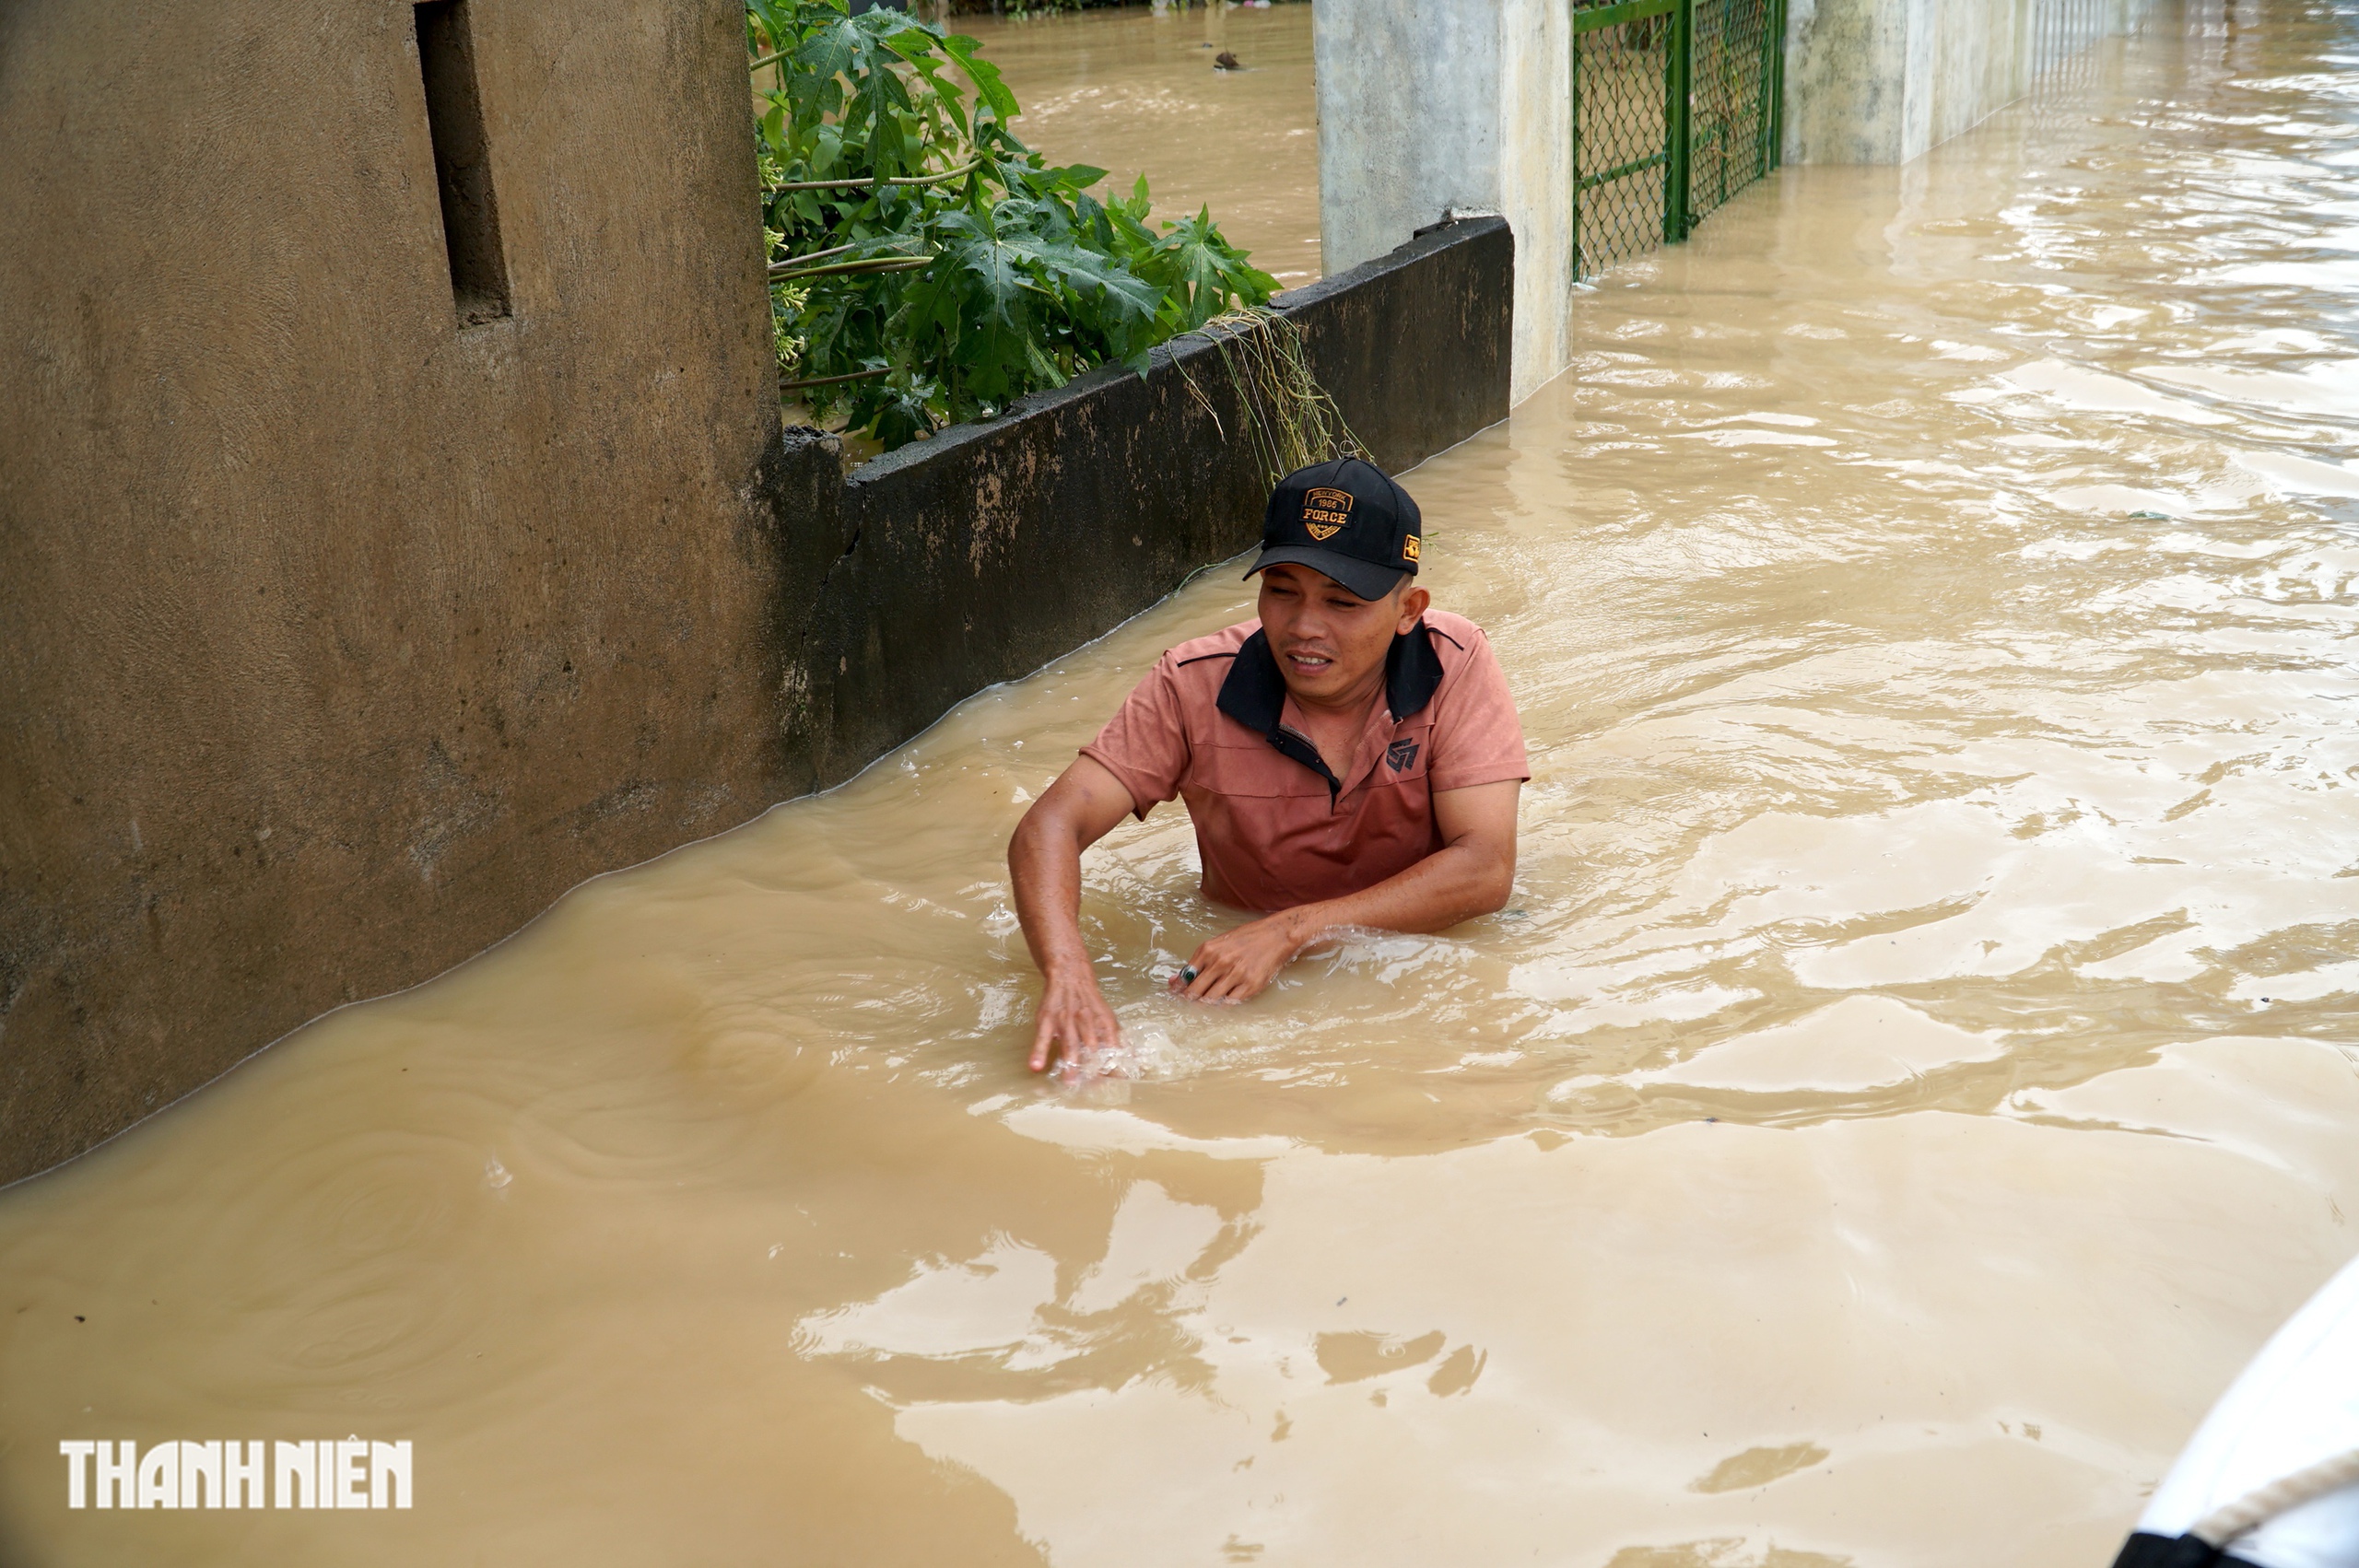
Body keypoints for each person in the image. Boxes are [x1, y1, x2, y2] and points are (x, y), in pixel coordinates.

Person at [1006, 457, 1529, 1072]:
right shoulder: (1190, 684)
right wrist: (1068, 974)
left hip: (1418, 964)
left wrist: (1289, 933)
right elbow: (1049, 825)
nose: (1305, 627)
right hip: (1235, 973)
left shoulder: (1455, 661)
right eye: (1282, 592)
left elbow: (1485, 870)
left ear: (1409, 609)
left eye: (1342, 603)